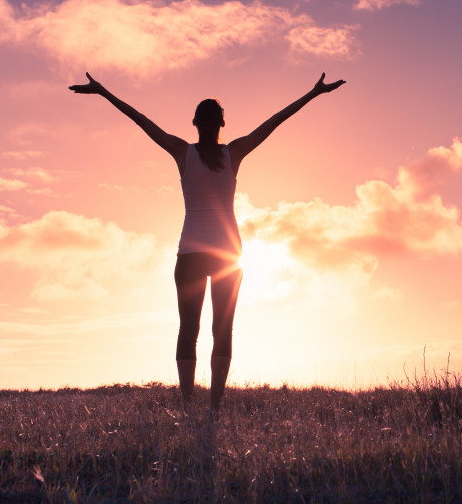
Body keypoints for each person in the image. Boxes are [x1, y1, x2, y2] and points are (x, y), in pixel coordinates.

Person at [69, 72, 346, 410]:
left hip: (190, 255)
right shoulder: (235, 152)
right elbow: (274, 122)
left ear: (195, 123)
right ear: (222, 124)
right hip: (229, 255)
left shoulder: (182, 152)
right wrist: (313, 93)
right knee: (222, 330)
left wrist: (103, 91)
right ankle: (214, 405)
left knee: (189, 330)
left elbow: (141, 120)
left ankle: (187, 403)